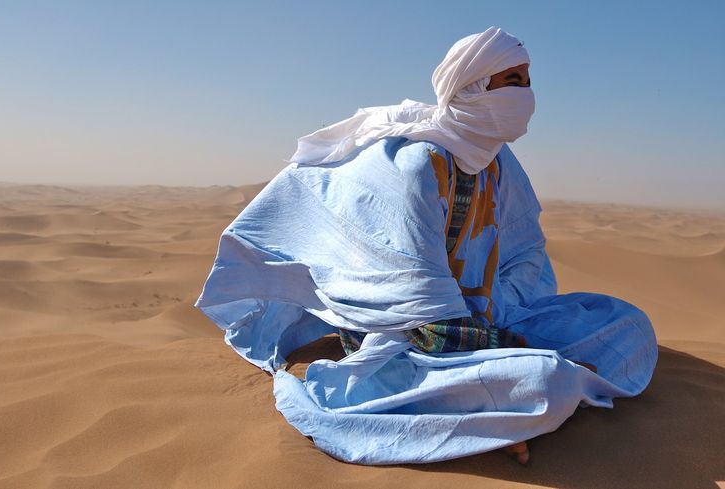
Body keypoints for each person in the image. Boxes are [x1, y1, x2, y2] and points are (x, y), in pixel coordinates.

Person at [195, 27, 657, 465]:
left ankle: (495, 410)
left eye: (528, 82)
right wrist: (525, 349)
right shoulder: (417, 166)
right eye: (513, 82)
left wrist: (510, 323)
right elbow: (426, 326)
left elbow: (524, 255)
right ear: (473, 87)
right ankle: (496, 409)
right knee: (546, 380)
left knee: (628, 324)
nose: (527, 96)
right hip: (403, 334)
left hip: (484, 320)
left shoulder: (497, 161)